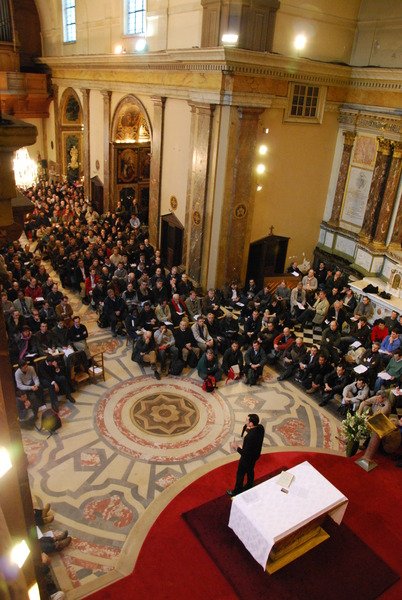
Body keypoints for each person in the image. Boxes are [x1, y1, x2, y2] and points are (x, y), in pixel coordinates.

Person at [227, 414, 265, 496]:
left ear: (251, 423)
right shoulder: (261, 428)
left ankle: (237, 491)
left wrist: (236, 447)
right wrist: (249, 430)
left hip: (247, 459)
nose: (245, 422)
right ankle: (249, 484)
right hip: (255, 456)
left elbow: (245, 453)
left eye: (246, 420)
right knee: (250, 469)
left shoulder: (249, 437)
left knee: (240, 474)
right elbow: (255, 438)